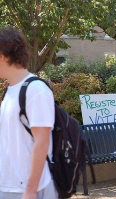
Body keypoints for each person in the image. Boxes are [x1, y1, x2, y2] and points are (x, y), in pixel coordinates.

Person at [0, 27, 57, 198]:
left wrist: (30, 191)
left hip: (30, 190)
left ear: (2, 56)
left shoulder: (35, 90)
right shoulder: (10, 91)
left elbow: (42, 143)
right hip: (8, 186)